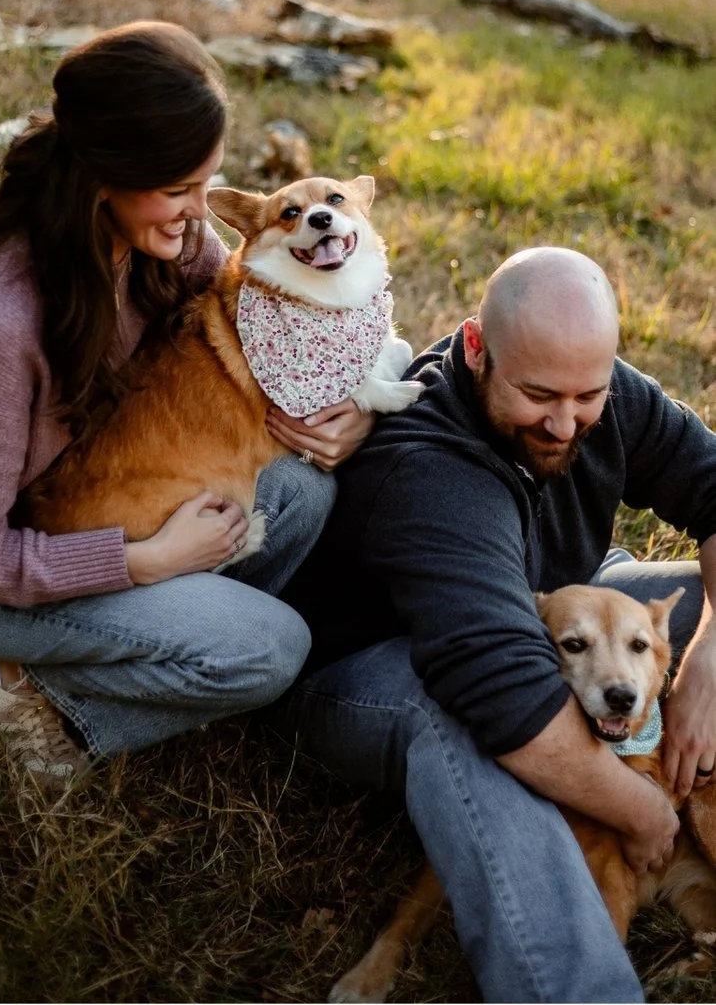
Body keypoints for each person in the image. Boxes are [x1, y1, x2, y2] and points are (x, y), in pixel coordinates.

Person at [0, 21, 357, 782]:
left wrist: (357, 411)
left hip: (126, 501)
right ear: (101, 178)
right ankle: (40, 691)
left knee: (306, 485)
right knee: (272, 648)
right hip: (4, 585)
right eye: (178, 189)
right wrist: (143, 561)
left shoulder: (168, 241)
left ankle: (179, 650)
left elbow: (270, 314)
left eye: (206, 184)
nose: (200, 212)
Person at [292, 245, 716, 1005]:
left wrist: (708, 658)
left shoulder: (602, 390)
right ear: (476, 347)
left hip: (568, 601)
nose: (565, 422)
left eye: (588, 394)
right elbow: (508, 698)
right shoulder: (429, 465)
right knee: (479, 730)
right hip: (378, 668)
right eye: (539, 394)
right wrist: (643, 811)